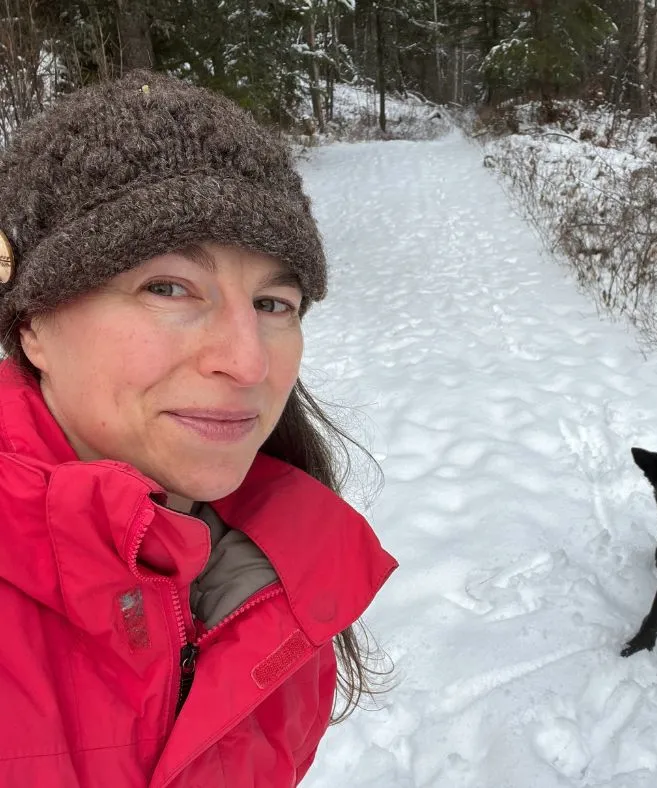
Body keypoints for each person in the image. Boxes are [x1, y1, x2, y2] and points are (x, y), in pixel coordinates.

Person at [0, 70, 398, 786]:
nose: (248, 362)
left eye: (275, 303)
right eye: (168, 288)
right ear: (32, 325)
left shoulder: (275, 576)